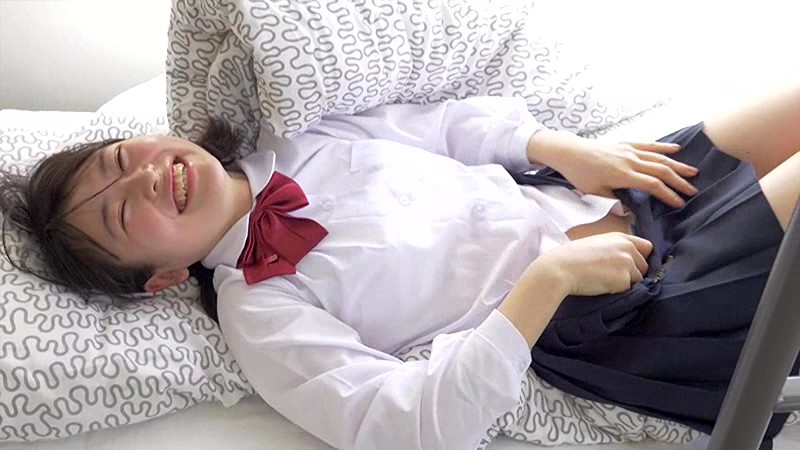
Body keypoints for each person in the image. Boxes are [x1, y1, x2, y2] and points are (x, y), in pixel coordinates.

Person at [1, 89, 799, 450]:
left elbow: (447, 127)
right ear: (163, 279)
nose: (145, 177)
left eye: (121, 157)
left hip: (610, 194)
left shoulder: (300, 135)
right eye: (121, 213)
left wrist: (563, 149)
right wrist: (547, 282)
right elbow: (408, 429)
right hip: (622, 312)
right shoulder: (261, 316)